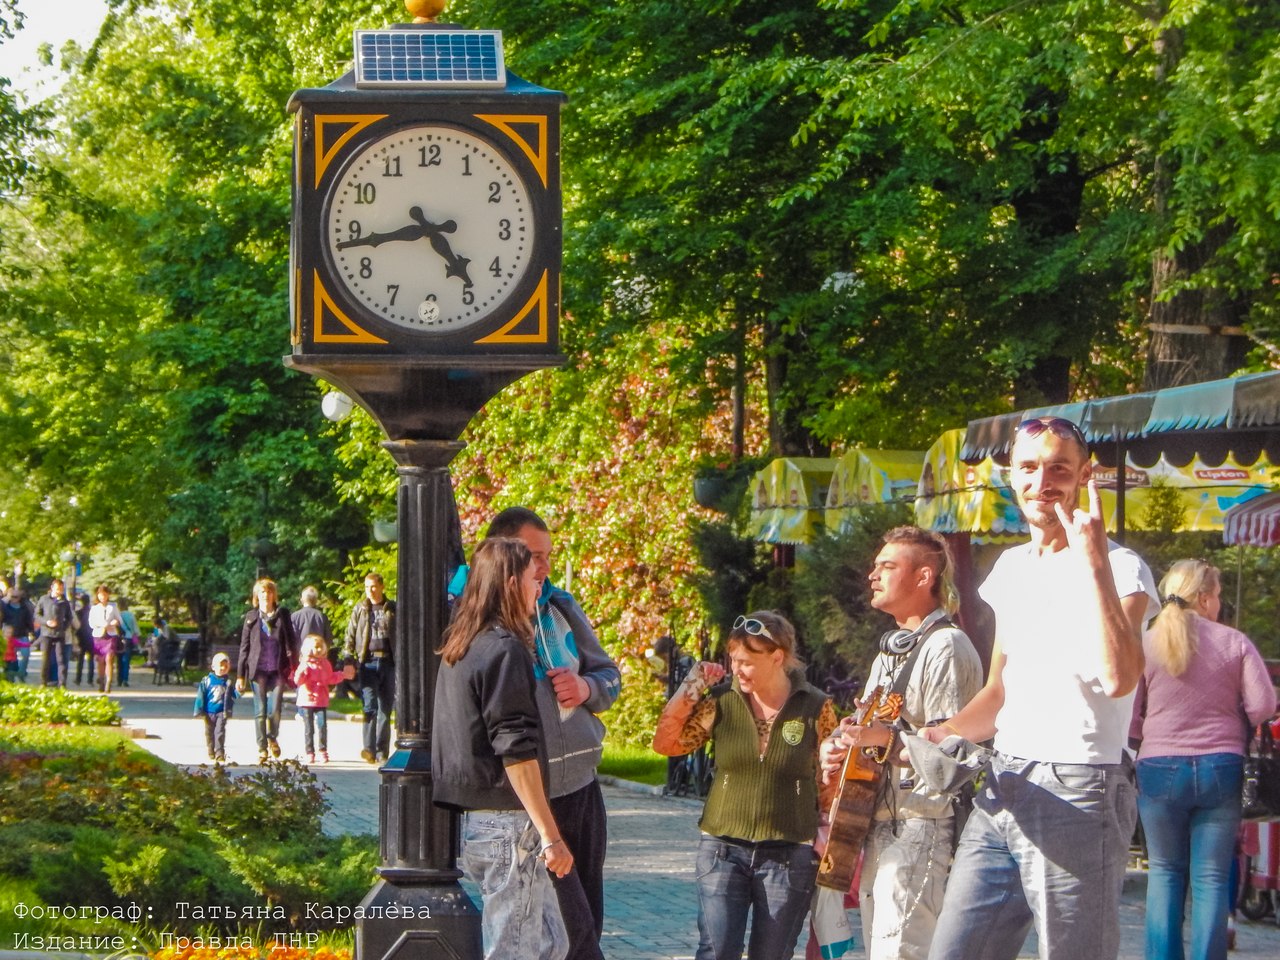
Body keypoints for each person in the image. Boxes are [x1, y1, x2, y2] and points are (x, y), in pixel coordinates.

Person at [922, 416, 1159, 960]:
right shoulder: (1010, 567)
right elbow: (998, 694)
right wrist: (931, 737)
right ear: (1011, 475)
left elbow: (1121, 679)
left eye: (1059, 468)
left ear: (1085, 476)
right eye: (1029, 467)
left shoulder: (1122, 568)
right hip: (1003, 780)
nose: (1042, 481)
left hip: (1081, 785)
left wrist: (1093, 563)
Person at [819, 526, 983, 960]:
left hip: (921, 827)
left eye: (887, 566)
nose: (873, 575)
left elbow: (956, 757)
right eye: (875, 565)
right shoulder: (891, 651)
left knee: (901, 953)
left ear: (924, 576)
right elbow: (869, 727)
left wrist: (884, 741)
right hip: (880, 824)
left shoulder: (946, 647)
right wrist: (839, 745)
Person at [653, 610, 837, 960]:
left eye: (746, 662)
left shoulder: (816, 707)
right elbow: (667, 743)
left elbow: (829, 779)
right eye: (733, 660)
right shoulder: (721, 702)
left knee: (772, 954)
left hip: (788, 855)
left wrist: (828, 829)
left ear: (777, 657)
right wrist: (692, 686)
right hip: (722, 850)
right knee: (717, 951)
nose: (736, 669)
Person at [482, 506, 622, 960]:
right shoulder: (483, 621)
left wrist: (586, 687)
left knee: (588, 923)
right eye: (533, 556)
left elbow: (610, 675)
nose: (543, 567)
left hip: (581, 787)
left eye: (547, 556)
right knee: (566, 932)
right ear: (501, 553)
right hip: (529, 799)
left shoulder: (560, 605)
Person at [432, 537, 572, 960]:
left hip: (482, 822)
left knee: (550, 942)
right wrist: (550, 835)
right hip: (508, 824)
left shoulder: (464, 643)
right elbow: (515, 749)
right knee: (517, 950)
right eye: (533, 579)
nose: (538, 587)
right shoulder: (504, 648)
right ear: (512, 583)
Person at [1129, 559, 1276, 960]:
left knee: (1164, 873)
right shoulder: (1234, 642)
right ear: (1206, 598)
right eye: (1219, 597)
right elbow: (1264, 704)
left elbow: (1129, 714)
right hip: (1221, 767)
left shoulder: (1146, 643)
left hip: (1158, 769)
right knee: (1211, 878)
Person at [236, 577, 299, 764]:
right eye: (262, 592)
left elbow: (292, 642)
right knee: (260, 710)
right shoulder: (251, 617)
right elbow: (244, 647)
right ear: (257, 596)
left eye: (269, 592)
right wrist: (240, 675)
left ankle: (272, 736)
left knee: (275, 709)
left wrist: (294, 667)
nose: (266, 595)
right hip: (258, 669)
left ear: (274, 595)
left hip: (278, 668)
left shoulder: (283, 614)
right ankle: (262, 747)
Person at [342, 572, 396, 764]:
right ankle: (368, 749)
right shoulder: (361, 608)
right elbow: (350, 634)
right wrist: (349, 658)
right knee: (369, 706)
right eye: (366, 587)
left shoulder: (392, 608)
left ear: (381, 586)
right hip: (368, 663)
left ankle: (382, 751)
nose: (370, 591)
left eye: (373, 586)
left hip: (388, 662)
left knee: (385, 709)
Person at [292, 633, 354, 764]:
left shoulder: (325, 664)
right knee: (309, 728)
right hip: (307, 700)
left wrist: (342, 675)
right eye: (316, 647)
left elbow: (330, 678)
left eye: (321, 647)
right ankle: (310, 751)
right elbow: (298, 680)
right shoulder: (305, 664)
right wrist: (301, 672)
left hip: (321, 699)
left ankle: (323, 750)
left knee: (322, 725)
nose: (319, 650)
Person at [194, 652, 239, 763]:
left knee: (220, 732)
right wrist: (198, 710)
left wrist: (239, 690)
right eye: (220, 665)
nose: (223, 668)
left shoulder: (228, 682)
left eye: (226, 666)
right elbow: (201, 696)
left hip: (222, 712)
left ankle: (219, 752)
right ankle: (210, 749)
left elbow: (234, 695)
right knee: (209, 732)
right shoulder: (207, 681)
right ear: (213, 667)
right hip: (208, 712)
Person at [35, 579, 75, 688]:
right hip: (46, 633)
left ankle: (62, 683)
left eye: (61, 589)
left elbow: (69, 617)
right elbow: (37, 615)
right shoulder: (44, 599)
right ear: (52, 588)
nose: (59, 591)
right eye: (58, 589)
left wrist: (63, 627)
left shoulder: (64, 602)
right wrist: (46, 622)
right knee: (45, 658)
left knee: (61, 659)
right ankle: (43, 682)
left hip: (59, 634)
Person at [87, 584, 123, 694]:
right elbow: (91, 623)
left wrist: (114, 623)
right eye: (100, 595)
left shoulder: (113, 606)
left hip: (111, 635)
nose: (102, 597)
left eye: (104, 595)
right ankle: (101, 681)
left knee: (109, 658)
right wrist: (101, 625)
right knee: (100, 660)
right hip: (98, 636)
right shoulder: (94, 608)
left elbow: (119, 620)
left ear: (108, 595)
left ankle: (109, 682)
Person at [2, 588, 34, 682]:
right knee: (10, 657)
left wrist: (31, 632)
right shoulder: (4, 606)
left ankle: (21, 673)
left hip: (22, 634)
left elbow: (29, 620)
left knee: (26, 655)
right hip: (9, 636)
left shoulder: (25, 607)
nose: (14, 599)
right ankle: (10, 676)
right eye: (12, 596)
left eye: (16, 597)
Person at [116, 598, 140, 687]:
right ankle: (125, 679)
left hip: (119, 639)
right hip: (129, 639)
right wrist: (137, 642)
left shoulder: (117, 615)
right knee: (126, 660)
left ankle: (119, 679)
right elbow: (136, 630)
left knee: (119, 660)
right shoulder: (131, 615)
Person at [73, 592, 94, 686]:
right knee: (91, 660)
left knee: (80, 660)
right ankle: (90, 679)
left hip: (81, 638)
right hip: (91, 637)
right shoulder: (92, 612)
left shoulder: (79, 613)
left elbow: (76, 626)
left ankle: (78, 679)